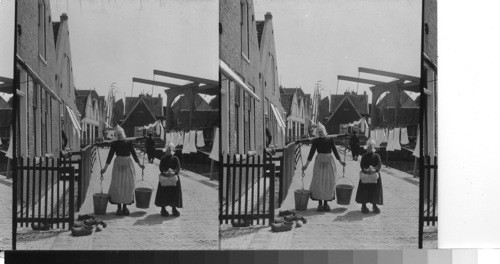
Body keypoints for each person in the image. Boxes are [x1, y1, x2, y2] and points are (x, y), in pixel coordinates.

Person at [100, 125, 145, 216]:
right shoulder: (115, 144)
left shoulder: (128, 143)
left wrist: (140, 165)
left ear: (123, 134)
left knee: (127, 185)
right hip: (118, 165)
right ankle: (119, 208)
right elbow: (110, 156)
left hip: (128, 165)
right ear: (116, 136)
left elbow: (133, 154)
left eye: (120, 134)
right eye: (118, 135)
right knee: (117, 185)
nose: (119, 136)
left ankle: (125, 207)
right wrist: (105, 168)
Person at [302, 123, 346, 212]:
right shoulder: (316, 141)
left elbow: (334, 151)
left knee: (328, 182)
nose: (321, 133)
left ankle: (326, 204)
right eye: (319, 132)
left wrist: (340, 161)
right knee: (319, 182)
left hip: (329, 162)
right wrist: (306, 165)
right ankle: (320, 204)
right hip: (319, 163)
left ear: (324, 131)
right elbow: (311, 153)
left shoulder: (330, 140)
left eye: (322, 131)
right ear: (317, 132)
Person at [355, 140, 383, 214]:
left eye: (371, 147)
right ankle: (363, 206)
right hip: (365, 176)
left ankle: (374, 205)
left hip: (374, 176)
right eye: (368, 147)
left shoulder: (377, 156)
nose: (369, 148)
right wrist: (365, 170)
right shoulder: (364, 156)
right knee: (364, 191)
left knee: (375, 191)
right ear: (366, 147)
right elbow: (362, 165)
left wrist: (374, 169)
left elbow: (379, 164)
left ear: (373, 148)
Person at [155, 142, 183, 217]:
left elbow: (178, 166)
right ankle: (163, 209)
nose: (169, 151)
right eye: (167, 149)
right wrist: (165, 173)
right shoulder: (163, 159)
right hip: (165, 178)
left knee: (174, 194)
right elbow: (161, 167)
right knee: (164, 194)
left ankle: (174, 208)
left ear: (173, 150)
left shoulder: (175, 158)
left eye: (170, 149)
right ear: (165, 150)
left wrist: (174, 172)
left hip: (173, 178)